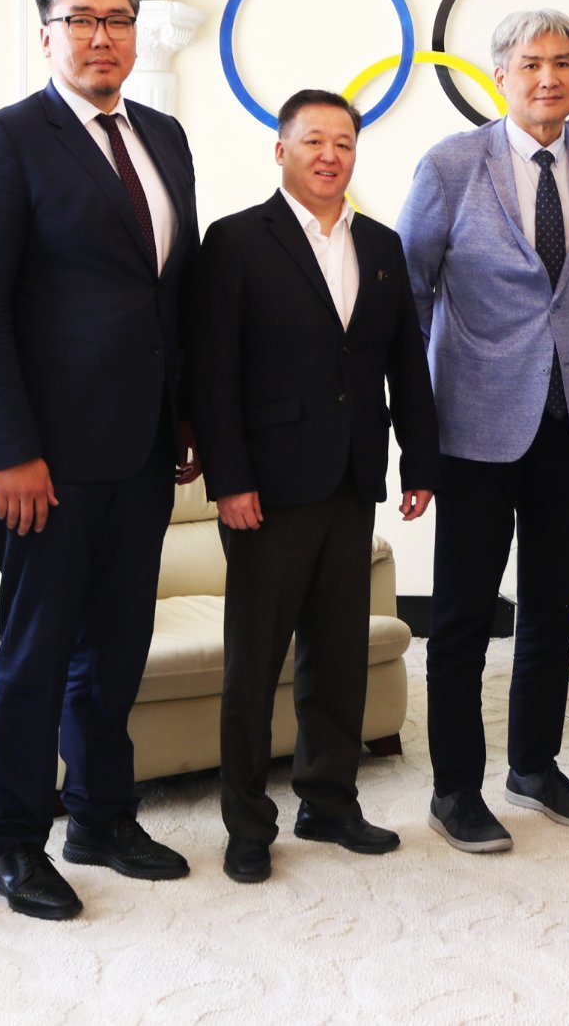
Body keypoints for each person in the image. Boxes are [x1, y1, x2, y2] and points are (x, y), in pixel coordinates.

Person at [0, 0, 201, 918]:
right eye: (82, 19)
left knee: (119, 644)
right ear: (47, 32)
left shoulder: (164, 136)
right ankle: (17, 843)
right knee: (37, 655)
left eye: (118, 19)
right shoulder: (5, 141)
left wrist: (184, 416)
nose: (103, 36)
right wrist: (8, 448)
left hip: (141, 447)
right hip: (44, 459)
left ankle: (101, 814)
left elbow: (168, 291)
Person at [191, 90, 439, 883]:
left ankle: (329, 801)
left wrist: (419, 461)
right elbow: (214, 372)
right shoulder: (235, 240)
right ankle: (246, 822)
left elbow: (405, 363)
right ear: (281, 149)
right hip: (266, 486)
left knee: (337, 654)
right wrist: (230, 480)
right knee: (254, 662)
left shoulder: (382, 244)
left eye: (343, 142)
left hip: (352, 476)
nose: (330, 155)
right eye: (312, 141)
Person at [399, 9, 569, 853]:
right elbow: (411, 291)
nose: (549, 78)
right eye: (531, 63)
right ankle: (454, 788)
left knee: (552, 607)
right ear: (500, 74)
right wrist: (414, 422)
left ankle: (534, 765)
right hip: (473, 422)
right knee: (462, 615)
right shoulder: (450, 165)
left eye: (563, 62)